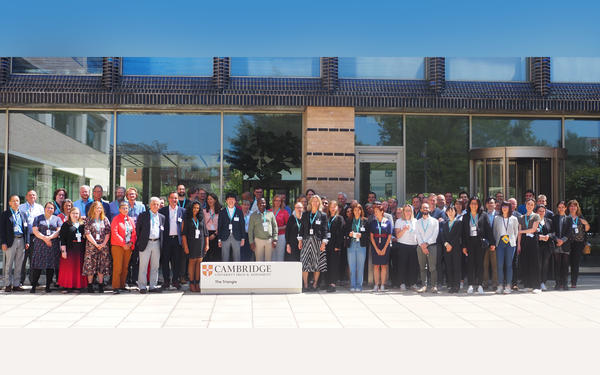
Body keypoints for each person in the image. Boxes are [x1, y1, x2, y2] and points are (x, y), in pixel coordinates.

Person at [462, 197, 495, 295]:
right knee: (470, 264)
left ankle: (480, 285)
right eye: (472, 203)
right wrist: (463, 246)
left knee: (480, 264)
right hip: (469, 242)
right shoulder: (466, 216)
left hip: (480, 242)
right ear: (469, 205)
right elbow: (463, 233)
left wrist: (492, 243)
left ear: (478, 205)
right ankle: (471, 285)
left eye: (476, 203)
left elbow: (489, 229)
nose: (473, 205)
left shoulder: (483, 215)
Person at [30, 202, 63, 293]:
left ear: (54, 210)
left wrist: (50, 237)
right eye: (48, 208)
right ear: (45, 209)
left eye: (52, 208)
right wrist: (45, 238)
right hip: (40, 245)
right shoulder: (38, 218)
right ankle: (33, 286)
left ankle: (48, 286)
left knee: (50, 266)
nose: (50, 209)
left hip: (53, 245)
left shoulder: (57, 219)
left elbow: (59, 230)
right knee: (38, 266)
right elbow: (35, 231)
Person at [135, 197, 165, 294]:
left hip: (157, 243)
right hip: (145, 243)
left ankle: (153, 285)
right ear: (150, 205)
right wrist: (140, 241)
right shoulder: (143, 215)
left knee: (155, 266)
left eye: (157, 204)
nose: (156, 206)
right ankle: (142, 286)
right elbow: (138, 230)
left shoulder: (162, 217)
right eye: (154, 204)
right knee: (143, 266)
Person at [298, 195, 327, 291]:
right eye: (313, 201)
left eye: (317, 201)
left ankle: (314, 284)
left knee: (317, 263)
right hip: (306, 241)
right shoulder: (306, 214)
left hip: (317, 241)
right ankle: (305, 285)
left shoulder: (322, 215)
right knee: (305, 262)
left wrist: (323, 243)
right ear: (310, 203)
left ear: (319, 203)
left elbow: (325, 230)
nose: (315, 203)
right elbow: (301, 228)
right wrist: (300, 240)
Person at [1, 195, 30, 292]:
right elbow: (2, 230)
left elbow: (27, 229)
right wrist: (3, 242)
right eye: (13, 201)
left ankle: (16, 284)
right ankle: (7, 284)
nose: (15, 202)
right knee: (8, 264)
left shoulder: (23, 214)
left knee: (19, 264)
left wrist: (27, 241)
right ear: (9, 203)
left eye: (17, 201)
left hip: (21, 240)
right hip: (10, 241)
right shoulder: (5, 214)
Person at [159, 191, 186, 289]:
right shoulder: (163, 211)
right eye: (172, 198)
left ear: (178, 199)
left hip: (177, 240)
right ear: (168, 199)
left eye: (175, 198)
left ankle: (175, 280)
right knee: (165, 261)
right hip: (166, 239)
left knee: (177, 262)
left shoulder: (183, 211)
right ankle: (166, 281)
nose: (174, 200)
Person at [83, 201, 111, 293]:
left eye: (100, 208)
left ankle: (100, 285)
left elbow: (108, 232)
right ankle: (90, 285)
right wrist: (96, 244)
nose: (98, 210)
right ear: (92, 209)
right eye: (96, 208)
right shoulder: (88, 220)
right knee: (90, 265)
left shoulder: (105, 219)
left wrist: (103, 244)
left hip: (103, 246)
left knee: (101, 265)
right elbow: (87, 233)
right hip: (91, 246)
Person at [58, 207, 87, 292]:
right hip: (70, 249)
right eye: (73, 213)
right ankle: (68, 286)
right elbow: (62, 239)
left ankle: (77, 286)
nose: (75, 215)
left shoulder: (82, 225)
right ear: (70, 214)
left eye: (77, 213)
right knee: (69, 268)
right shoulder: (66, 225)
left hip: (80, 249)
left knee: (78, 268)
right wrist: (63, 251)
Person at [18, 190, 45, 285]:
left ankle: (33, 280)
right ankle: (20, 280)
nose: (32, 196)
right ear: (26, 197)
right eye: (30, 195)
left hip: (35, 237)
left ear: (36, 197)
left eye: (34, 195)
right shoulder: (21, 207)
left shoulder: (40, 208)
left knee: (34, 259)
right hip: (24, 236)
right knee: (22, 259)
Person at [182, 201, 209, 292]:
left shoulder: (201, 219)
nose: (196, 210)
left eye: (197, 208)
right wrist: (185, 246)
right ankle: (191, 283)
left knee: (199, 263)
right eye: (194, 208)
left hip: (200, 244)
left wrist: (207, 244)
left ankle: (197, 283)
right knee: (192, 263)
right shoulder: (187, 219)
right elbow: (184, 234)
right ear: (191, 209)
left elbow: (206, 233)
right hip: (191, 244)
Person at [493, 201, 519, 294]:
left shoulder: (514, 219)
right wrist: (497, 241)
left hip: (510, 244)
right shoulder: (497, 218)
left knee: (509, 265)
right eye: (503, 206)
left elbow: (516, 232)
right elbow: (495, 231)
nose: (504, 208)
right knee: (499, 265)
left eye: (506, 206)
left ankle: (508, 285)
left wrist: (512, 241)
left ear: (510, 208)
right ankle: (500, 285)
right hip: (500, 242)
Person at [111, 201, 137, 294]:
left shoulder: (130, 219)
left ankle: (122, 285)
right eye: (123, 208)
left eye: (127, 208)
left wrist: (130, 243)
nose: (125, 210)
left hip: (128, 247)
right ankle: (116, 286)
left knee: (125, 267)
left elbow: (134, 232)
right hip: (118, 246)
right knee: (118, 267)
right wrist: (123, 244)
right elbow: (114, 233)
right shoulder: (116, 219)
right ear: (119, 209)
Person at [517, 198, 542, 293]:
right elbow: (519, 233)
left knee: (534, 263)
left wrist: (521, 231)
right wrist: (519, 245)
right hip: (524, 241)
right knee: (525, 263)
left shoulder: (536, 216)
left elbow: (533, 229)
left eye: (532, 204)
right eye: (528, 204)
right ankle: (528, 285)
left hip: (533, 240)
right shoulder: (521, 217)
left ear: (534, 206)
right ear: (525, 205)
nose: (530, 206)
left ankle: (537, 286)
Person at [565, 199, 590, 288]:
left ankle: (573, 282)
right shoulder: (566, 217)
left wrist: (585, 223)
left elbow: (587, 229)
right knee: (566, 262)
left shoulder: (580, 217)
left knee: (575, 263)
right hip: (567, 243)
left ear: (577, 207)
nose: (573, 208)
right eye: (571, 206)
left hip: (578, 243)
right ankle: (564, 282)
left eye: (575, 206)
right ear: (568, 207)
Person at [415, 202, 439, 293]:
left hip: (431, 246)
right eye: (423, 208)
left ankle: (434, 286)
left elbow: (435, 234)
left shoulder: (435, 221)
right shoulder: (417, 222)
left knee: (432, 267)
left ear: (429, 209)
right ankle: (424, 286)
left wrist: (427, 244)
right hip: (420, 247)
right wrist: (422, 245)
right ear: (421, 210)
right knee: (422, 267)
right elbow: (417, 234)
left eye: (427, 208)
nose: (425, 209)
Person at [124, 187, 145, 286]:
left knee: (136, 259)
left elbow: (144, 220)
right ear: (127, 196)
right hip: (127, 236)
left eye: (133, 194)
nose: (131, 196)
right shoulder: (124, 206)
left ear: (136, 195)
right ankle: (126, 280)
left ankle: (135, 279)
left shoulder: (141, 206)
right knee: (127, 259)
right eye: (129, 194)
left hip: (137, 235)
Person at [394, 204, 418, 291]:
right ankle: (402, 283)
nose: (408, 212)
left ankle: (412, 283)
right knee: (402, 265)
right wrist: (403, 229)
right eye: (406, 210)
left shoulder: (415, 221)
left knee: (413, 266)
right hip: (402, 245)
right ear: (403, 212)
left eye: (409, 210)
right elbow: (397, 236)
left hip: (413, 245)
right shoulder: (399, 221)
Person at [369, 202, 392, 292]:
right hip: (376, 246)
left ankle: (382, 285)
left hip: (385, 245)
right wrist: (376, 248)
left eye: (377, 211)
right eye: (374, 211)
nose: (375, 213)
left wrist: (384, 248)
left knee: (383, 266)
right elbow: (371, 236)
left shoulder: (387, 222)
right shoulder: (373, 222)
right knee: (376, 266)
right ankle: (376, 285)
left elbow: (389, 236)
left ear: (382, 212)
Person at [344, 203, 368, 292]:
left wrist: (361, 235)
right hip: (351, 245)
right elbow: (345, 232)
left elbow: (368, 235)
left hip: (361, 245)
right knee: (352, 266)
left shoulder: (365, 221)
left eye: (359, 210)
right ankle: (352, 285)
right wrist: (349, 234)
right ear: (353, 211)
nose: (357, 211)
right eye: (355, 210)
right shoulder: (349, 221)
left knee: (360, 266)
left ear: (361, 211)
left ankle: (359, 285)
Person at [217, 192, 246, 262]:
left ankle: (237, 272)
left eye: (232, 199)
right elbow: (219, 226)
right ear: (226, 201)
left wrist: (243, 238)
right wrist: (219, 239)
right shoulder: (222, 212)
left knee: (237, 257)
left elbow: (242, 225)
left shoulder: (239, 212)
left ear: (235, 201)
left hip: (236, 237)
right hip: (225, 237)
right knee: (225, 257)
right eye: (229, 199)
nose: (231, 201)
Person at [442, 205, 463, 293]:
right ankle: (450, 284)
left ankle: (456, 286)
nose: (450, 213)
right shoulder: (444, 223)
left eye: (452, 211)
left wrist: (451, 245)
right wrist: (446, 244)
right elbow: (442, 235)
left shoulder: (459, 223)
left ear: (455, 212)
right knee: (449, 266)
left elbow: (458, 235)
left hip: (456, 248)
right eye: (448, 211)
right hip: (447, 248)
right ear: (446, 213)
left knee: (456, 267)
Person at [324, 200, 344, 292]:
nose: (332, 208)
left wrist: (338, 245)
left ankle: (333, 283)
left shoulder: (339, 218)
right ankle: (327, 282)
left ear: (337, 208)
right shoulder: (326, 218)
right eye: (331, 206)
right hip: (327, 244)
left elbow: (341, 233)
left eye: (334, 207)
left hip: (335, 245)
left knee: (334, 264)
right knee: (327, 263)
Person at [552, 201, 570, 290]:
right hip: (556, 244)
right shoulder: (554, 218)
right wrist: (556, 239)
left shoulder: (569, 219)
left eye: (563, 207)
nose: (561, 209)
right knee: (557, 265)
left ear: (565, 208)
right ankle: (558, 283)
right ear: (557, 208)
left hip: (565, 244)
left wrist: (562, 241)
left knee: (565, 265)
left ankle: (565, 283)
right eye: (559, 207)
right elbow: (552, 231)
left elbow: (569, 232)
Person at [535, 205, 554, 291]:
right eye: (540, 211)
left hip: (547, 246)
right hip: (537, 245)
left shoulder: (549, 221)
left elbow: (553, 232)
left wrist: (548, 236)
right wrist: (539, 237)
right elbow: (531, 233)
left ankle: (543, 282)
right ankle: (537, 282)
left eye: (543, 211)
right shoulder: (534, 221)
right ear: (536, 212)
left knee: (545, 264)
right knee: (538, 264)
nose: (541, 212)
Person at [482, 197, 498, 290]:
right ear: (486, 205)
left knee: (495, 265)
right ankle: (485, 283)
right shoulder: (483, 215)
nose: (490, 204)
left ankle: (495, 283)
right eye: (488, 203)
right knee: (485, 264)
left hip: (496, 243)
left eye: (492, 203)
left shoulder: (499, 215)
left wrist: (494, 243)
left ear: (495, 204)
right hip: (485, 243)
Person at [269, 194, 289, 262]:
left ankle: (279, 271)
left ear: (281, 202)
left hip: (281, 235)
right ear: (273, 201)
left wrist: (279, 228)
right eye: (276, 200)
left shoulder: (284, 212)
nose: (277, 202)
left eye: (279, 201)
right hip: (270, 236)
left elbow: (287, 225)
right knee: (271, 255)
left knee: (280, 255)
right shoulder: (269, 211)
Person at [203, 192, 221, 262]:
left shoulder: (220, 211)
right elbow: (203, 224)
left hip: (216, 234)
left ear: (215, 200)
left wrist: (215, 234)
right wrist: (206, 235)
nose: (209, 201)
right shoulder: (204, 211)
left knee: (216, 255)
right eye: (208, 199)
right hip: (206, 234)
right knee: (207, 254)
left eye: (211, 199)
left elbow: (221, 225)